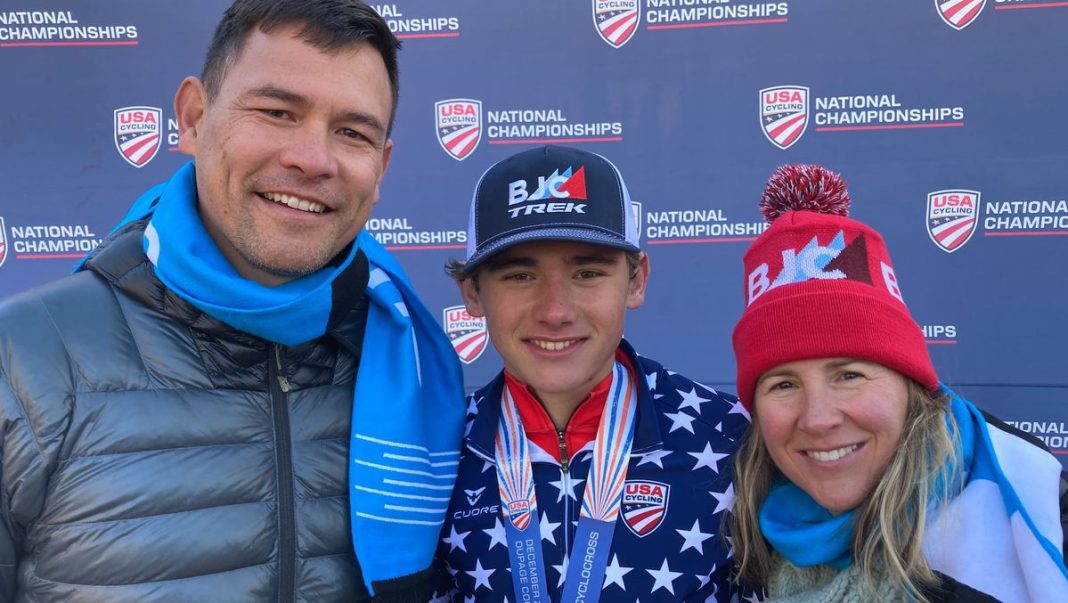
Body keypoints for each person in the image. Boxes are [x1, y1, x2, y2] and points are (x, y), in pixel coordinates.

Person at [0, 1, 465, 600]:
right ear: (194, 118)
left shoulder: (417, 370)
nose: (312, 158)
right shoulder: (22, 358)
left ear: (381, 168)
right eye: (277, 112)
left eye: (352, 133)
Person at [728, 164, 1068, 602]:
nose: (817, 418)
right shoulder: (739, 535)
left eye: (849, 375)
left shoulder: (1043, 514)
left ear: (911, 386)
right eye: (783, 385)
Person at [431, 145, 753, 602]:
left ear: (636, 280)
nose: (556, 311)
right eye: (520, 276)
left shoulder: (728, 436)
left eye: (587, 273)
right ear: (473, 294)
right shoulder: (435, 453)